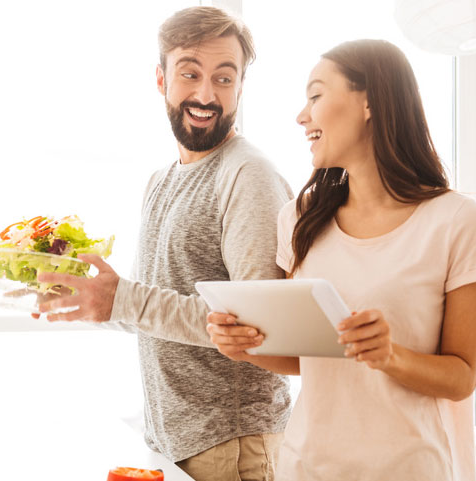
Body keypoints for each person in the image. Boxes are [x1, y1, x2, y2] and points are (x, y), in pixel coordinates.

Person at [207, 39, 476, 481]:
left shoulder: (460, 222)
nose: (301, 115)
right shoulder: (301, 218)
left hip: (407, 470)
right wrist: (246, 346)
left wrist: (390, 356)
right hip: (305, 466)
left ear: (369, 102)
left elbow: (462, 377)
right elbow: (308, 356)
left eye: (315, 96)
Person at [37, 6, 293, 481]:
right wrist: (89, 299)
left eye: (223, 78)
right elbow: (157, 311)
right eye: (189, 73)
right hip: (172, 444)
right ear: (161, 79)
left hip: (233, 445)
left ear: (240, 86)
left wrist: (125, 299)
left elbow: (254, 325)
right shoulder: (160, 181)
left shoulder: (247, 173)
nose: (205, 94)